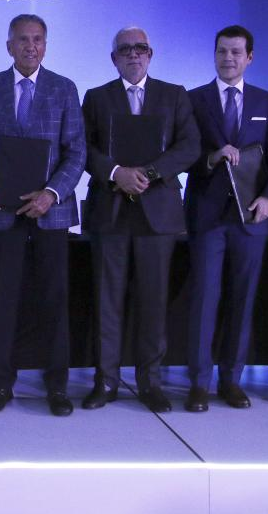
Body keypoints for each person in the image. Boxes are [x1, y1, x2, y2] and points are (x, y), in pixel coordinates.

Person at [0, 14, 85, 417]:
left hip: (51, 212)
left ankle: (57, 386)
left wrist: (52, 193)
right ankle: (1, 382)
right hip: (3, 211)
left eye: (37, 40)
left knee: (54, 299)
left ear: (45, 46)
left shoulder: (64, 88)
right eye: (22, 40)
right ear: (9, 46)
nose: (30, 46)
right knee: (3, 299)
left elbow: (77, 152)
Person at [82, 26, 200, 414]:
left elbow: (190, 146)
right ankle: (106, 381)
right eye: (125, 49)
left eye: (140, 48)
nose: (133, 54)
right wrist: (117, 173)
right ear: (113, 58)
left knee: (154, 301)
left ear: (151, 54)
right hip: (110, 212)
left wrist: (148, 173)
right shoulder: (96, 97)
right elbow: (83, 148)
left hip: (157, 214)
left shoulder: (174, 95)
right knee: (107, 302)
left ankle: (151, 382)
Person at [182, 25, 268, 411]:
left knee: (242, 300)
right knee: (204, 300)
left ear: (249, 58)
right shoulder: (193, 99)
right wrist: (211, 158)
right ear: (214, 54)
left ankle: (231, 380)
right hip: (207, 216)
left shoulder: (266, 101)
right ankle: (199, 383)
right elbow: (183, 154)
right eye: (222, 51)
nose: (228, 58)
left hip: (251, 217)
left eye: (236, 52)